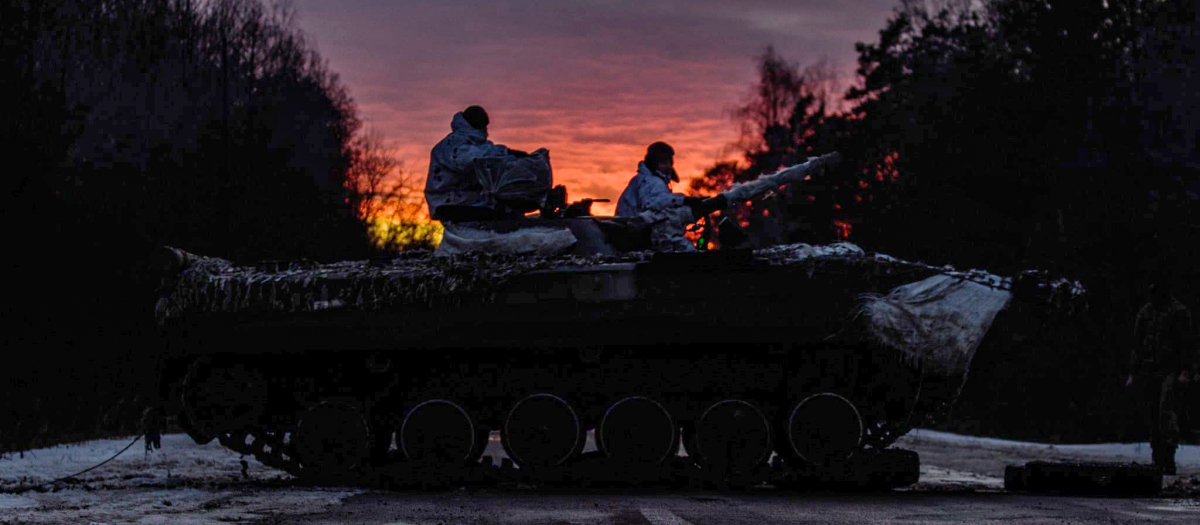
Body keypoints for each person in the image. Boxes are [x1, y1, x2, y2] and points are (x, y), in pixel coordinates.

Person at [1126, 280, 1194, 474]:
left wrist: (1186, 370)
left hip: (1170, 369)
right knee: (1153, 413)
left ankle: (1168, 457)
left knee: (1166, 411)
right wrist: (1133, 371)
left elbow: (1186, 344)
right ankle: (1157, 457)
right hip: (1149, 369)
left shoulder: (1178, 312)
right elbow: (1138, 343)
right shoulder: (1146, 313)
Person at [425, 106, 531, 221]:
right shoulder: (455, 144)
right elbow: (471, 159)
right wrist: (508, 153)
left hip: (466, 200)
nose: (486, 131)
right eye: (484, 126)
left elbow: (486, 155)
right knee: (502, 214)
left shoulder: (475, 144)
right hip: (450, 202)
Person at [615, 142, 726, 251]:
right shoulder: (651, 181)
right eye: (664, 162)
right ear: (653, 163)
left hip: (632, 234)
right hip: (635, 235)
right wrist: (685, 200)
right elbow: (653, 202)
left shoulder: (643, 180)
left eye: (670, 162)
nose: (668, 166)